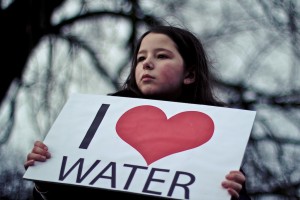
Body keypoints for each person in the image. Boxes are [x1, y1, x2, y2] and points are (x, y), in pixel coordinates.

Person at [24, 25, 251, 200]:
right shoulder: (99, 119)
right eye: (141, 58)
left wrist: (234, 195)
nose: (147, 64)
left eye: (161, 56)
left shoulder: (219, 136)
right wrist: (45, 181)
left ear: (189, 74)